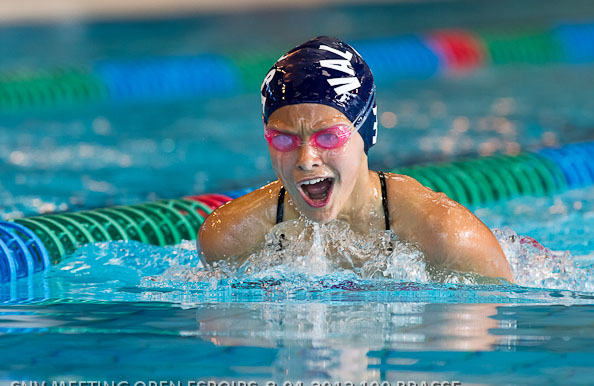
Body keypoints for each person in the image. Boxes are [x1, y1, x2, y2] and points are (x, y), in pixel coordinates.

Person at [197, 36, 514, 282]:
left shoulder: (449, 237)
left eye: (328, 137)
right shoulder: (231, 238)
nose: (306, 159)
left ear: (366, 131)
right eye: (283, 139)